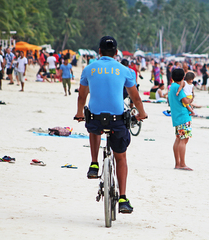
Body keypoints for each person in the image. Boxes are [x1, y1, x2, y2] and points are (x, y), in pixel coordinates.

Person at [74, 36, 147, 214]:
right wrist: (142, 113)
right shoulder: (125, 70)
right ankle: (122, 198)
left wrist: (79, 113)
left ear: (99, 52)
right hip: (117, 120)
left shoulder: (89, 69)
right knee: (120, 157)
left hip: (96, 119)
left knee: (94, 126)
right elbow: (135, 98)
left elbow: (82, 96)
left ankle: (93, 164)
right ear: (116, 52)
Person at [168, 68, 193, 171]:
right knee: (183, 139)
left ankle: (177, 163)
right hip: (183, 116)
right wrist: (192, 98)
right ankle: (182, 163)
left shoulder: (172, 87)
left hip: (176, 116)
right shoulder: (178, 87)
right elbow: (186, 100)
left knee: (178, 139)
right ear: (183, 77)